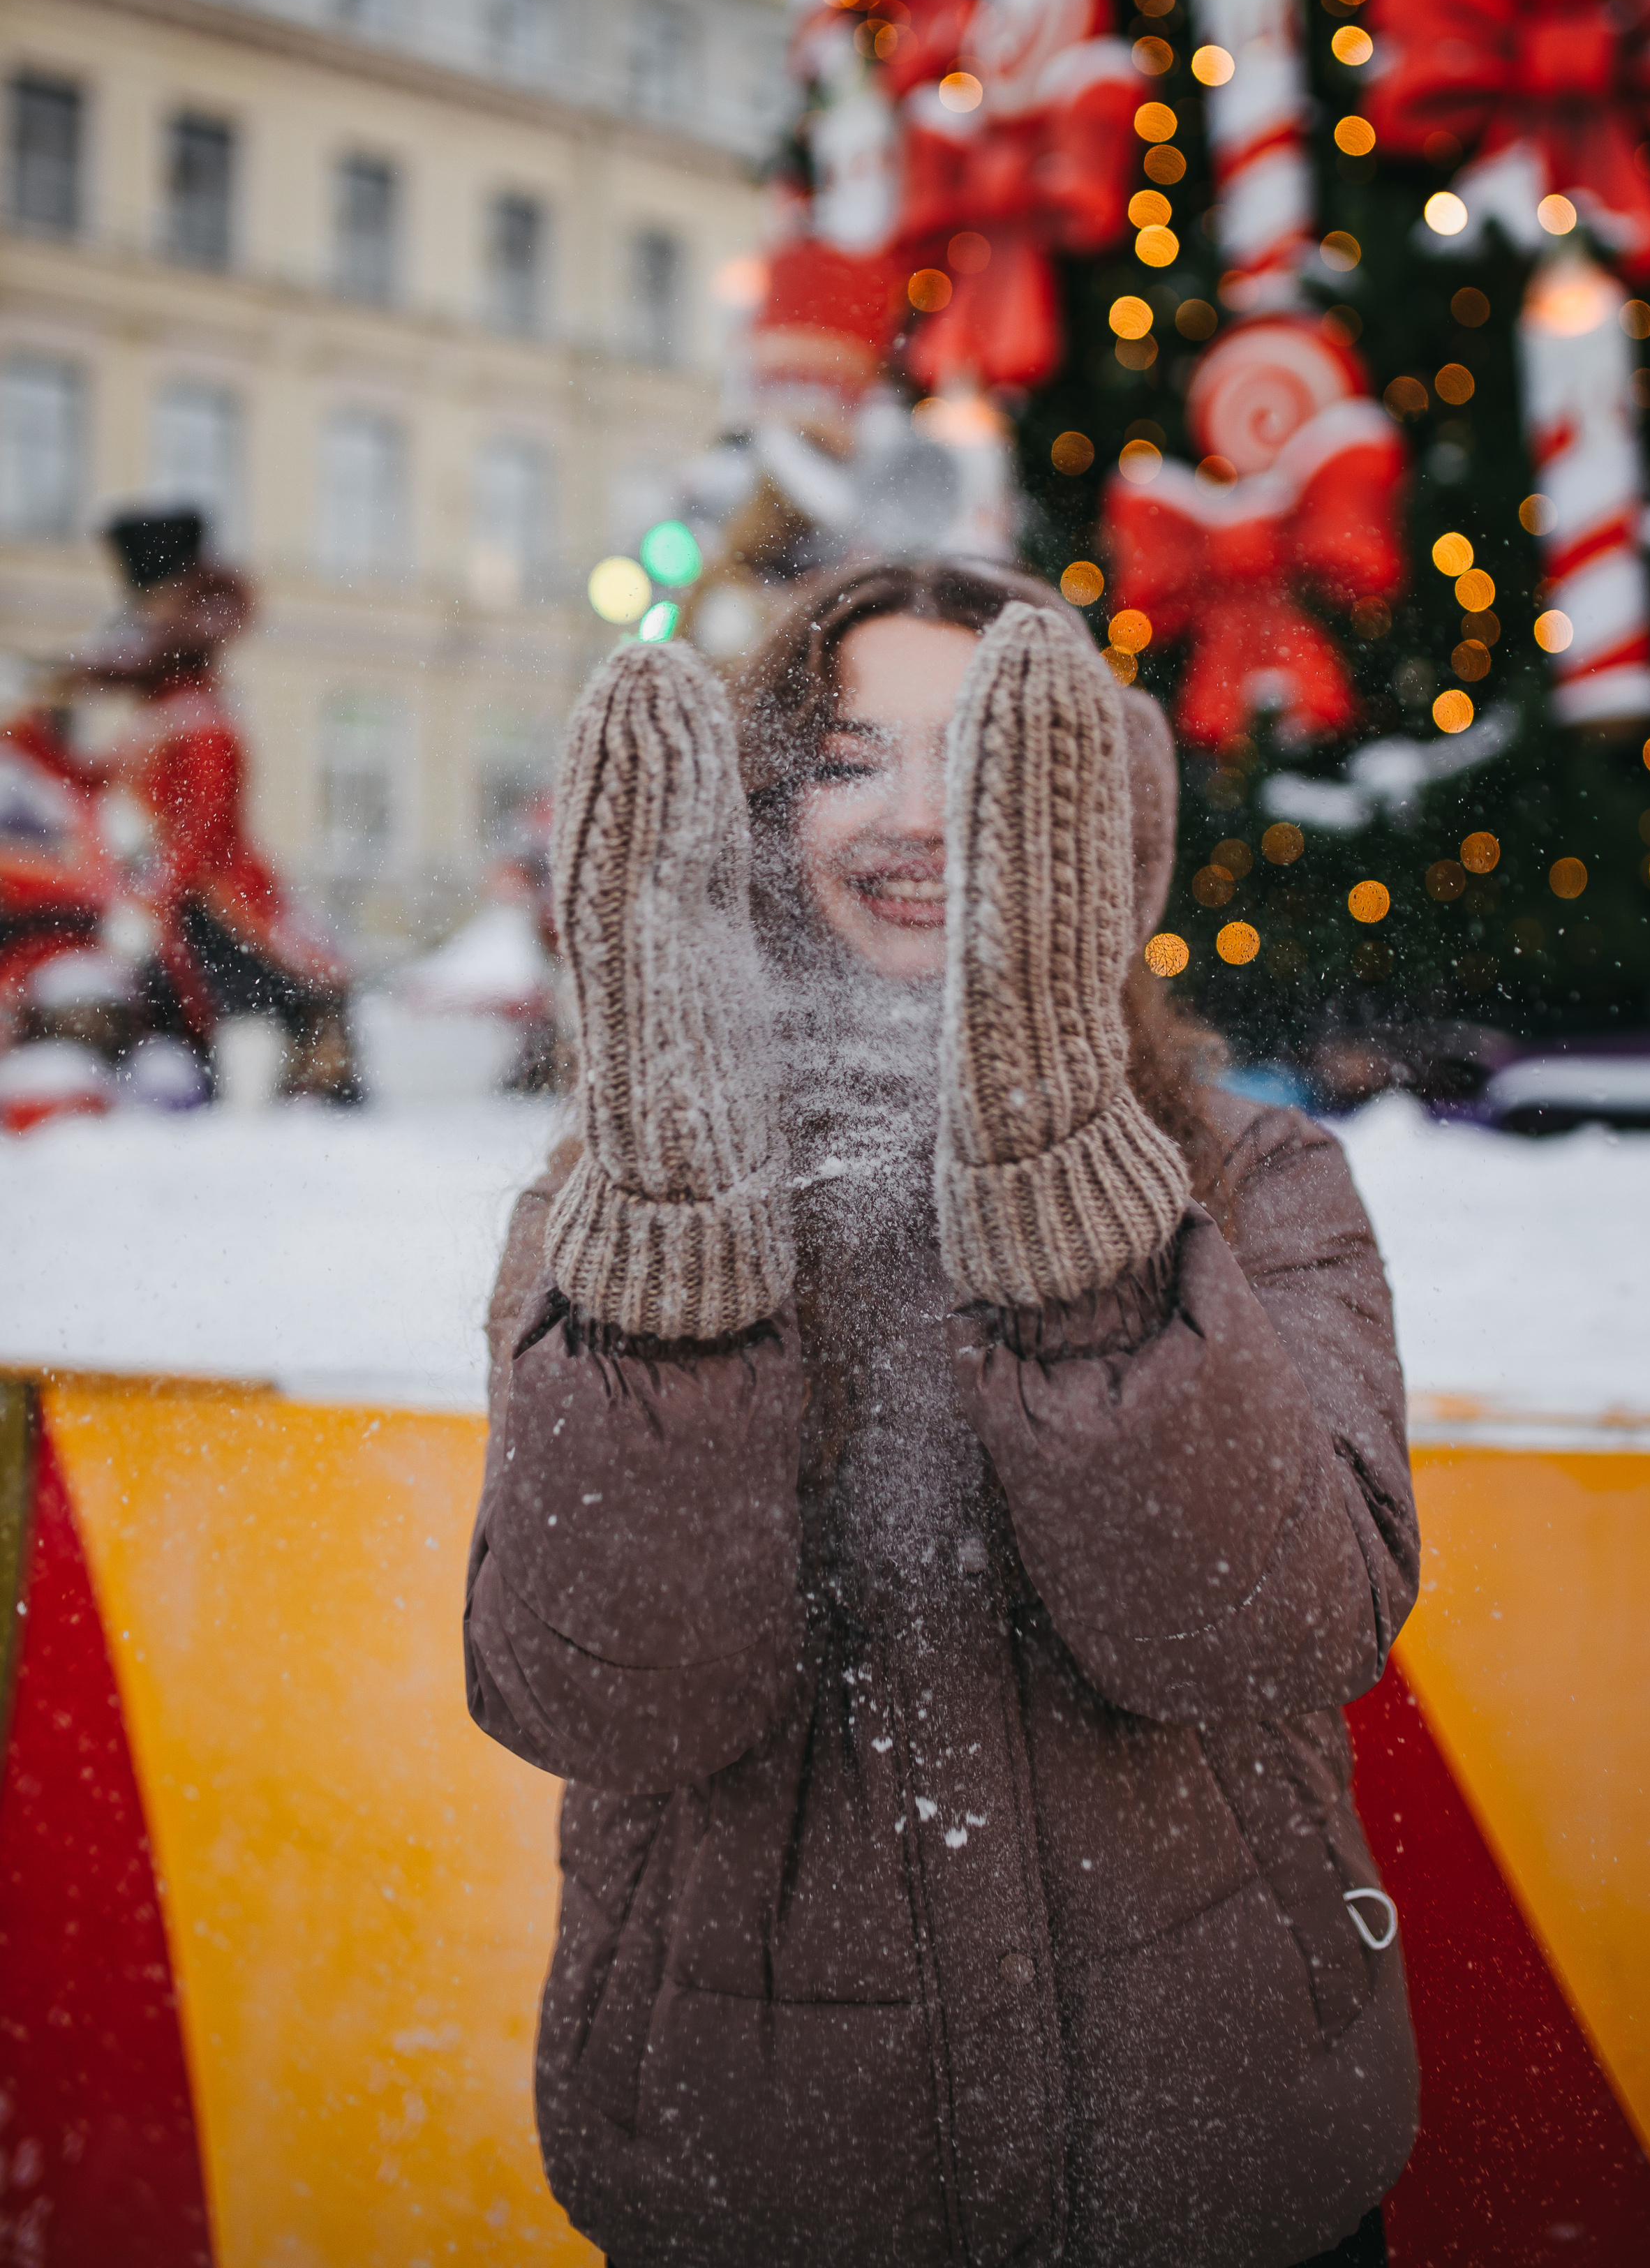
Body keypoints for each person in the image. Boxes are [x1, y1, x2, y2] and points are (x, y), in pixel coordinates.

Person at [464, 558, 1420, 2268]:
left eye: (980, 757)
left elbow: (1268, 1630)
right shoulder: (596, 1211)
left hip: (1217, 2163)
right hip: (759, 2173)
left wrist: (1064, 1170)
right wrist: (678, 1220)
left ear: (1090, 812)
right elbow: (609, 1692)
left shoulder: (1254, 1176)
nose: (915, 816)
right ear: (754, 820)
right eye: (844, 760)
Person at [84, 508, 357, 1100]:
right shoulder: (159, 721)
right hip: (164, 892)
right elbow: (102, 788)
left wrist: (155, 893)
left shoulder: (201, 721)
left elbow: (204, 828)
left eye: (154, 606)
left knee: (239, 996)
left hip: (213, 898)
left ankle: (251, 1101)